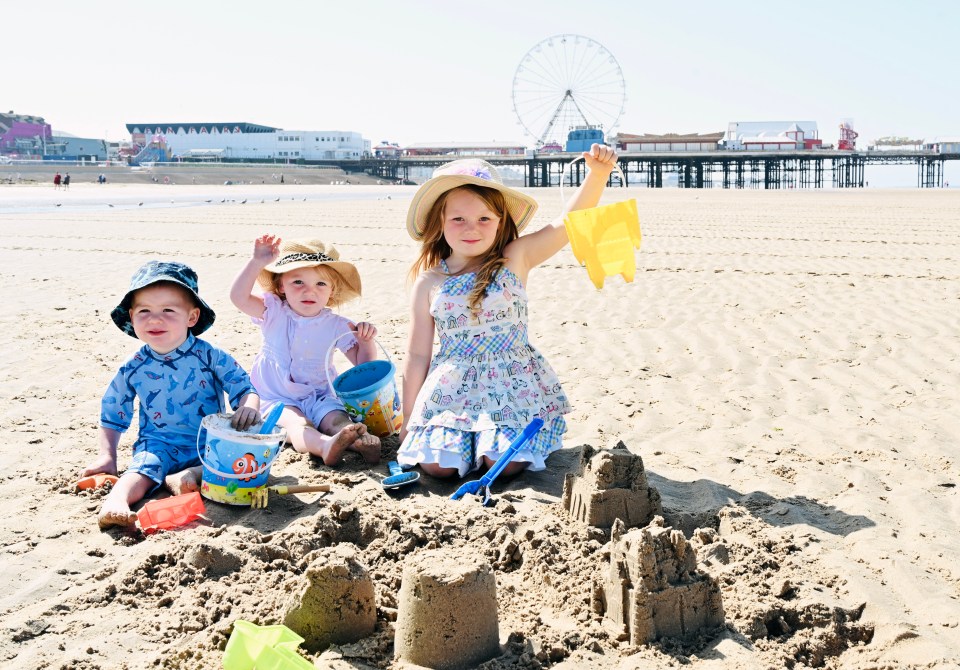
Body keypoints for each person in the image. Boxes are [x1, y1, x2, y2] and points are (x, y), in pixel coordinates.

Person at [397, 144, 618, 478]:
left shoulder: (515, 259)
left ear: (500, 224)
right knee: (437, 466)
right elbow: (416, 357)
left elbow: (568, 224)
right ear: (438, 223)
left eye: (484, 218)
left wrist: (598, 175)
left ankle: (487, 450)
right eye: (458, 219)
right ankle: (458, 447)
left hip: (510, 385)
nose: (472, 228)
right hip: (452, 390)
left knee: (503, 462)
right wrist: (409, 421)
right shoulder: (429, 282)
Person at [83, 261, 262, 529]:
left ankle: (185, 476)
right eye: (144, 311)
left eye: (168, 310)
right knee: (141, 471)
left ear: (191, 317)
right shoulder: (133, 367)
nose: (155, 319)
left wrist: (250, 406)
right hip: (159, 443)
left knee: (241, 463)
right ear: (131, 317)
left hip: (208, 441)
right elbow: (113, 410)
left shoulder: (209, 355)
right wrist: (108, 456)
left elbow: (243, 387)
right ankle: (116, 501)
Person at [230, 236, 381, 465]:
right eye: (298, 282)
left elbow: (363, 366)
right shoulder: (273, 311)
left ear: (332, 290)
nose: (309, 291)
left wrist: (366, 340)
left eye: (320, 284)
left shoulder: (337, 325)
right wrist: (256, 262)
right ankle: (324, 445)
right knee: (296, 424)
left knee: (337, 420)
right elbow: (238, 297)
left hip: (320, 394)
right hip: (276, 395)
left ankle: (358, 441)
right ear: (281, 285)